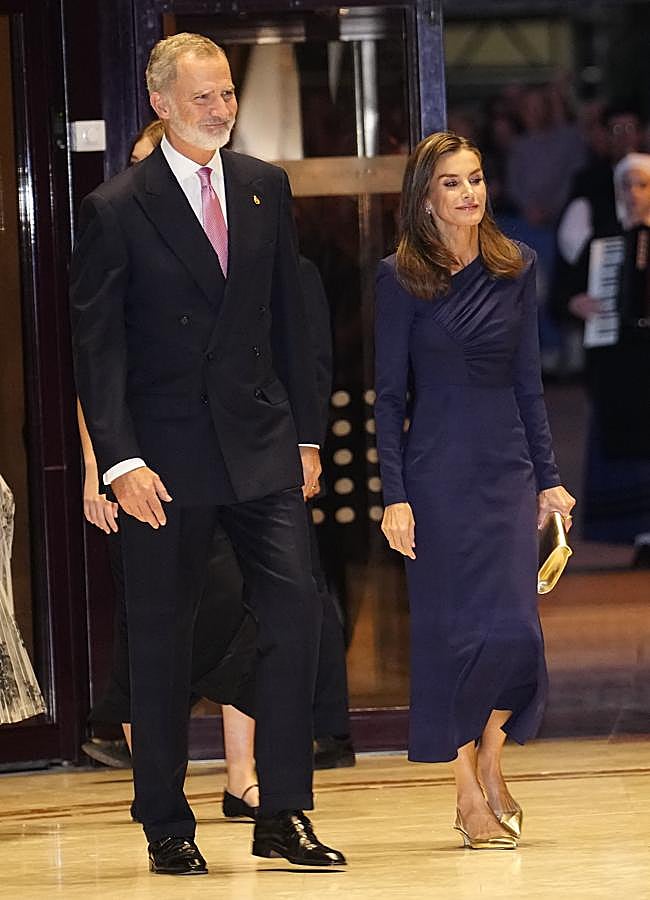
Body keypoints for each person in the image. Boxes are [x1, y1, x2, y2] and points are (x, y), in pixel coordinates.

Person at [70, 32, 345, 875]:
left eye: (227, 93)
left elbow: (288, 325)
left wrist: (304, 436)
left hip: (261, 448)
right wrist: (118, 462)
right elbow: (97, 349)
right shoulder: (117, 206)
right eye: (203, 97)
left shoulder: (265, 187)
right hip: (164, 461)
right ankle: (165, 821)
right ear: (160, 103)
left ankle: (282, 813)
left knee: (295, 618)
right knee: (161, 640)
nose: (222, 108)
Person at [374, 132, 575, 850]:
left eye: (478, 179)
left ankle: (490, 758)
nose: (470, 194)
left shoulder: (516, 266)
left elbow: (529, 383)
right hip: (434, 476)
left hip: (506, 471)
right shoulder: (400, 276)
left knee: (516, 634)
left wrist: (549, 479)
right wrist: (393, 495)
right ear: (426, 196)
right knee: (449, 639)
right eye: (453, 183)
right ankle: (466, 795)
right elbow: (389, 395)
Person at [558, 151, 650, 564]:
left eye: (642, 185)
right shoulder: (604, 241)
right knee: (625, 441)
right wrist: (575, 302)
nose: (633, 194)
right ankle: (639, 534)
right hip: (619, 361)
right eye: (626, 186)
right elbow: (563, 294)